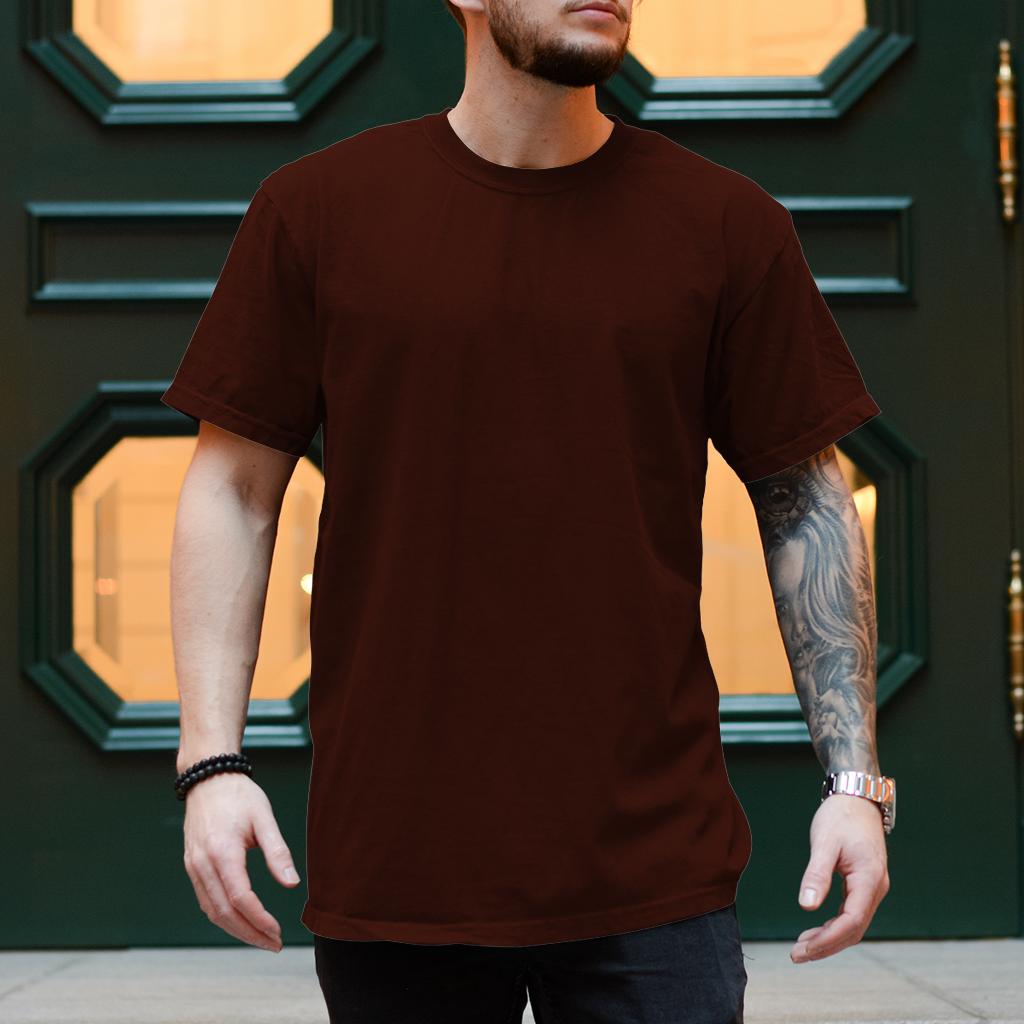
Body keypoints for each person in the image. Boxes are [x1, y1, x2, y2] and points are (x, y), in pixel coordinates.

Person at [164, 0, 892, 1020]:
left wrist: (854, 783)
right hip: (399, 858)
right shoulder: (319, 210)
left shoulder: (725, 223)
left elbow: (804, 499)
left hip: (652, 865)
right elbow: (234, 492)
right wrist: (211, 762)